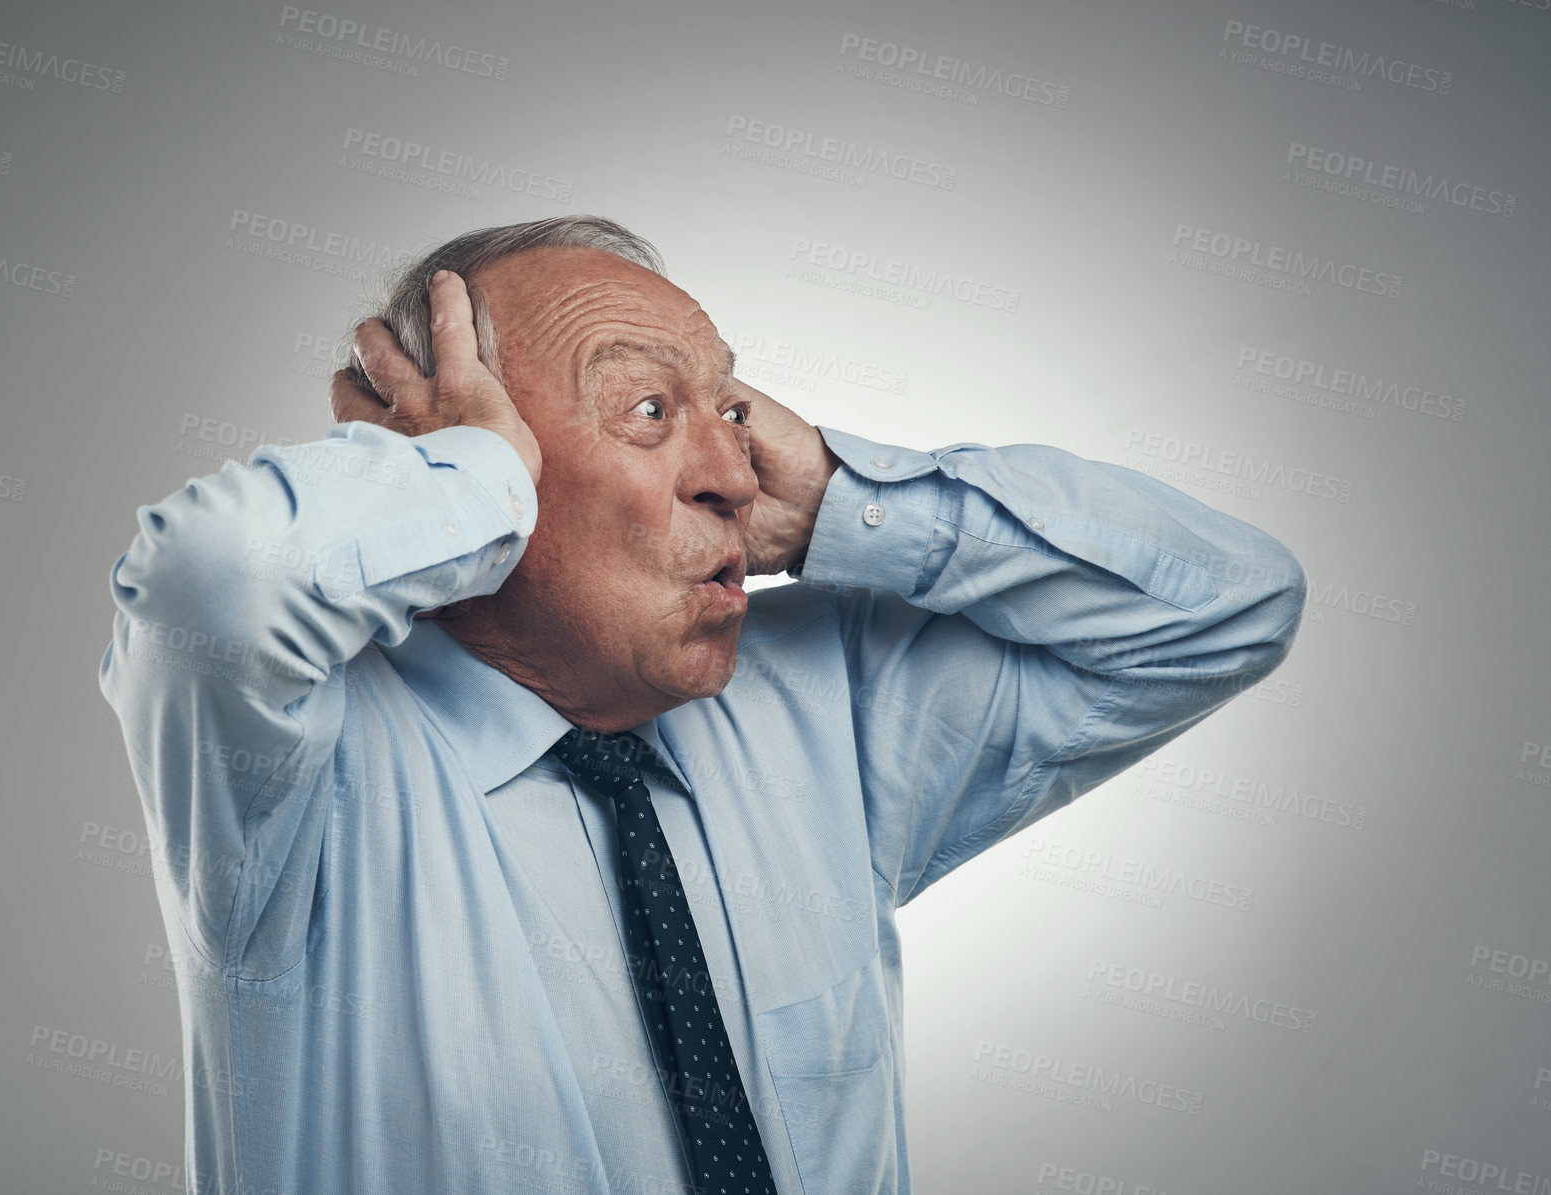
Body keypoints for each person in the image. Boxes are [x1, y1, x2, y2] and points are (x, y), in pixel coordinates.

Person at [97, 215, 1306, 1195]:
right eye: (647, 413)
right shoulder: (297, 772)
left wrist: (838, 501)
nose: (731, 472)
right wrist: (456, 483)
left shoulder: (822, 709)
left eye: (728, 412)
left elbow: (1225, 607)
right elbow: (217, 579)